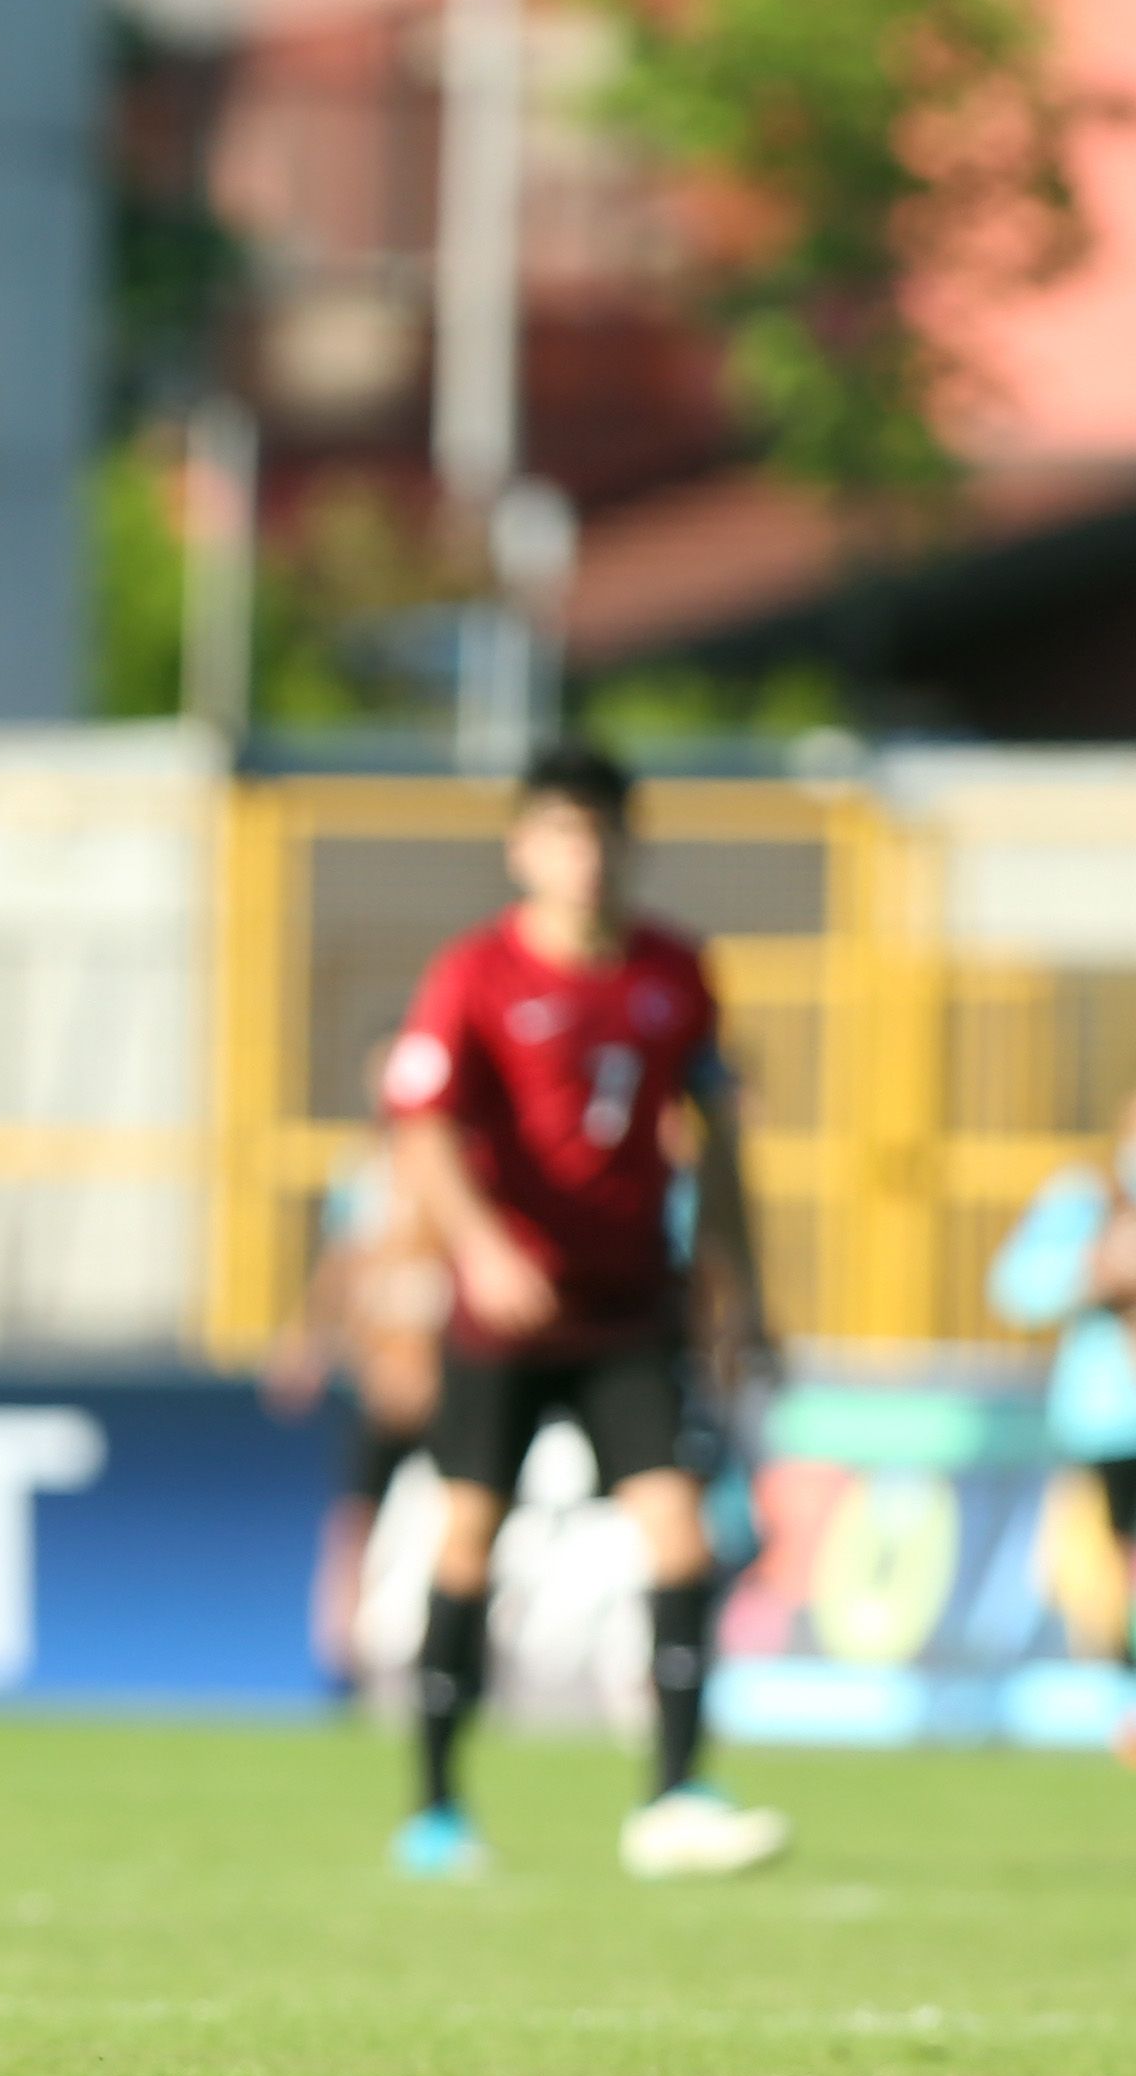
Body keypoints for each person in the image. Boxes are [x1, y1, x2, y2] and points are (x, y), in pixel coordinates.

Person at [379, 742, 786, 1882]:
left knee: (680, 1534)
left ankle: (672, 1795)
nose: (583, 856)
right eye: (560, 833)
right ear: (522, 848)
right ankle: (435, 1809)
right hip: (501, 1325)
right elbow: (419, 1131)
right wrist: (483, 1245)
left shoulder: (675, 972)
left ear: (628, 841)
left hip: (627, 1315)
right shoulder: (473, 974)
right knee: (465, 1542)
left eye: (601, 832)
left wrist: (741, 1294)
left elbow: (719, 1140)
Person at [263, 1053, 455, 1693]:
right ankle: (338, 1667)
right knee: (354, 1523)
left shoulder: (466, 1169)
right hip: (381, 1384)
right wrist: (308, 1342)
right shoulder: (361, 1171)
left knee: (464, 1521)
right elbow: (342, 1267)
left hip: (453, 1381)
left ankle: (454, 1658)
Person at [989, 1059, 1136, 1752]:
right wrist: (1096, 1271)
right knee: (1117, 1560)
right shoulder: (1089, 1192)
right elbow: (1014, 1287)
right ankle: (1134, 1705)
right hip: (1113, 1415)